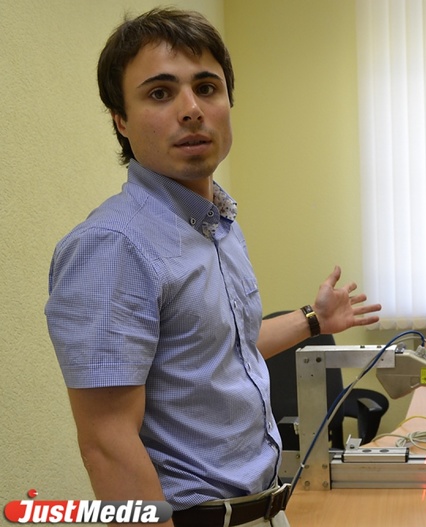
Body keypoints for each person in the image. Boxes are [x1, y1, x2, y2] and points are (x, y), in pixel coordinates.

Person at [44, 7, 381, 527]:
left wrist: (314, 320)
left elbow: (225, 350)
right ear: (120, 120)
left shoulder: (216, 223)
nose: (191, 109)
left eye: (206, 88)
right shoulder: (113, 245)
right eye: (160, 93)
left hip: (267, 508)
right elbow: (107, 445)